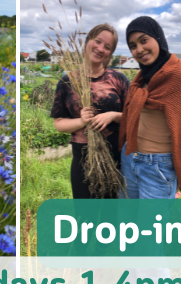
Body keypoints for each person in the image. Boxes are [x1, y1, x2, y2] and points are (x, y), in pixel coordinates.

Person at [118, 16, 181, 199]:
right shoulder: (141, 77)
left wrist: (177, 177)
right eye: (133, 46)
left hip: (158, 166)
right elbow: (135, 116)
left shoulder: (179, 74)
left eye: (144, 40)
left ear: (159, 38)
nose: (139, 49)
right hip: (129, 157)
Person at [50, 23, 129, 199]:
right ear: (88, 41)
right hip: (82, 161)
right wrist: (81, 121)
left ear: (111, 53)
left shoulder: (119, 79)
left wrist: (113, 116)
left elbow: (134, 118)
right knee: (85, 219)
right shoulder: (67, 81)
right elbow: (59, 123)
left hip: (114, 159)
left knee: (111, 218)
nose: (100, 49)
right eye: (98, 41)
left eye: (107, 47)